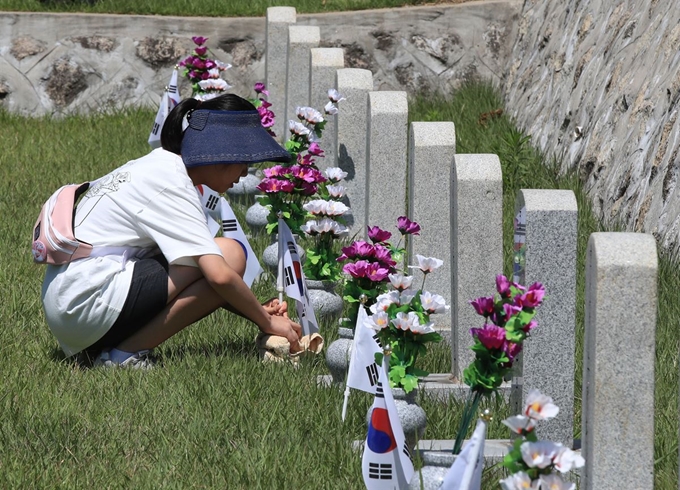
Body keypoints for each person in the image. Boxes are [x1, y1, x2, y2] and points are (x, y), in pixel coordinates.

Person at [40, 93, 302, 368]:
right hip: (86, 305)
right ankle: (124, 355)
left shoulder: (163, 166)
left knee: (217, 257)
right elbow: (219, 276)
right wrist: (268, 321)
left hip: (73, 306)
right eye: (244, 160)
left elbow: (206, 283)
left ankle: (115, 348)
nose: (246, 172)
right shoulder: (172, 182)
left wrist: (257, 312)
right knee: (230, 255)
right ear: (222, 151)